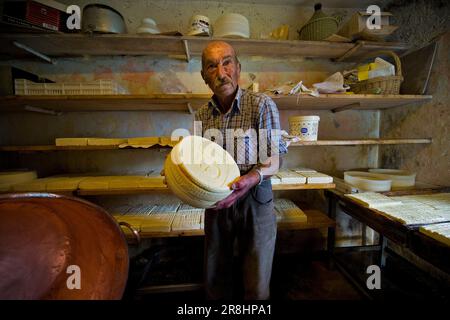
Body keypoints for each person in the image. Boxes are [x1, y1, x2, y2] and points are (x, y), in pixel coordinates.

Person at [195, 41, 287, 299]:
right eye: (212, 66)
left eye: (227, 62)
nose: (221, 72)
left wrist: (250, 179)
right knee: (215, 279)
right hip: (216, 198)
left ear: (238, 68)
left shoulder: (261, 105)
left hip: (255, 198)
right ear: (204, 77)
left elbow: (274, 159)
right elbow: (199, 161)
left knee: (256, 284)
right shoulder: (202, 116)